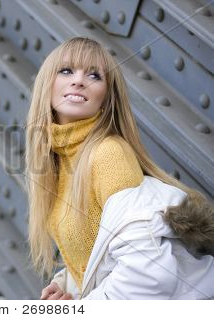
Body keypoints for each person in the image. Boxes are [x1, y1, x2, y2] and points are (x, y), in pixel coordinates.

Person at [25, 37, 214, 300]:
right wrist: (69, 285)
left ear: (106, 98)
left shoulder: (108, 155)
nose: (79, 80)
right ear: (47, 84)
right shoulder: (60, 161)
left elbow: (148, 273)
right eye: (66, 71)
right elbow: (103, 254)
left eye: (94, 75)